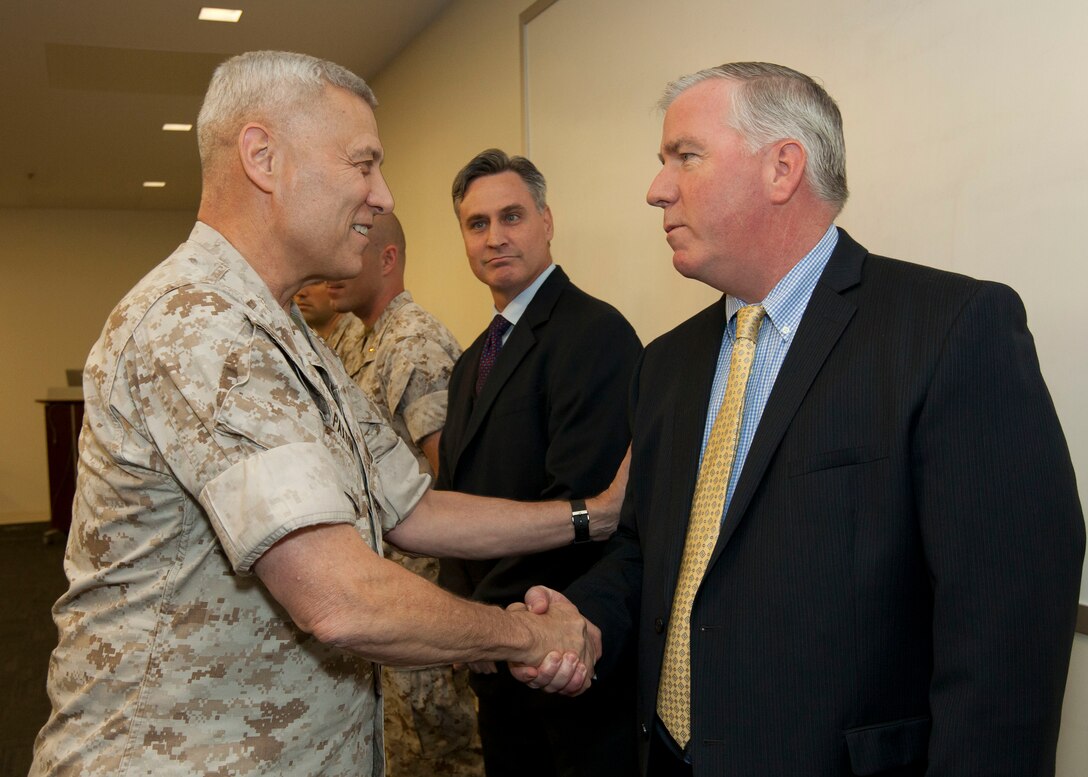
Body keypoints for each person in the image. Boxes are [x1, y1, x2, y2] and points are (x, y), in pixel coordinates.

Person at [30, 51, 616, 777]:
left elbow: (412, 508)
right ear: (263, 158)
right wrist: (527, 637)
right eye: (362, 164)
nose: (381, 195)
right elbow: (340, 598)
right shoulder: (200, 324)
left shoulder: (287, 335)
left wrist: (594, 514)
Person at [519, 62, 1085, 777]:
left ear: (783, 168)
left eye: (685, 156)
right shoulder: (664, 364)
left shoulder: (950, 330)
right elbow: (645, 550)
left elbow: (1007, 631)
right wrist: (584, 616)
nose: (657, 188)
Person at [437, 149, 642, 777]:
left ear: (546, 222)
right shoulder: (471, 362)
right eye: (477, 224)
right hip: (498, 668)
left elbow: (584, 506)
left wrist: (482, 620)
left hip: (565, 658)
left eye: (512, 216)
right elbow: (451, 499)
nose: (494, 237)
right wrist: (462, 618)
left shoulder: (595, 333)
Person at [326, 212, 483, 777]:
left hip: (424, 602)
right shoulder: (357, 336)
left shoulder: (414, 343)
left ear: (388, 259)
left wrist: (465, 612)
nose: (335, 267)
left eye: (354, 249)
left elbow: (453, 479)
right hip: (382, 598)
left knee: (439, 762)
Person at [294, 279, 366, 349]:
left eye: (315, 282)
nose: (300, 293)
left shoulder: (359, 337)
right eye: (297, 283)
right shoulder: (303, 343)